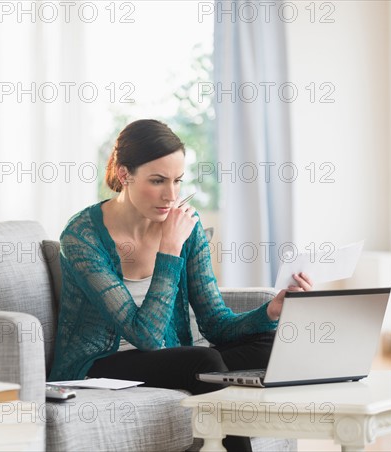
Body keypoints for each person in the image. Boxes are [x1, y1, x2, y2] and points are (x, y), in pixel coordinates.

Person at [48, 119, 312, 452]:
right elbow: (144, 335)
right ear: (124, 174)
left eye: (177, 181)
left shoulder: (188, 225)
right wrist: (169, 250)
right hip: (99, 366)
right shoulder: (81, 237)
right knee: (204, 364)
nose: (171, 196)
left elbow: (215, 323)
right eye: (157, 181)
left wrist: (271, 310)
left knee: (274, 345)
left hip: (167, 357)